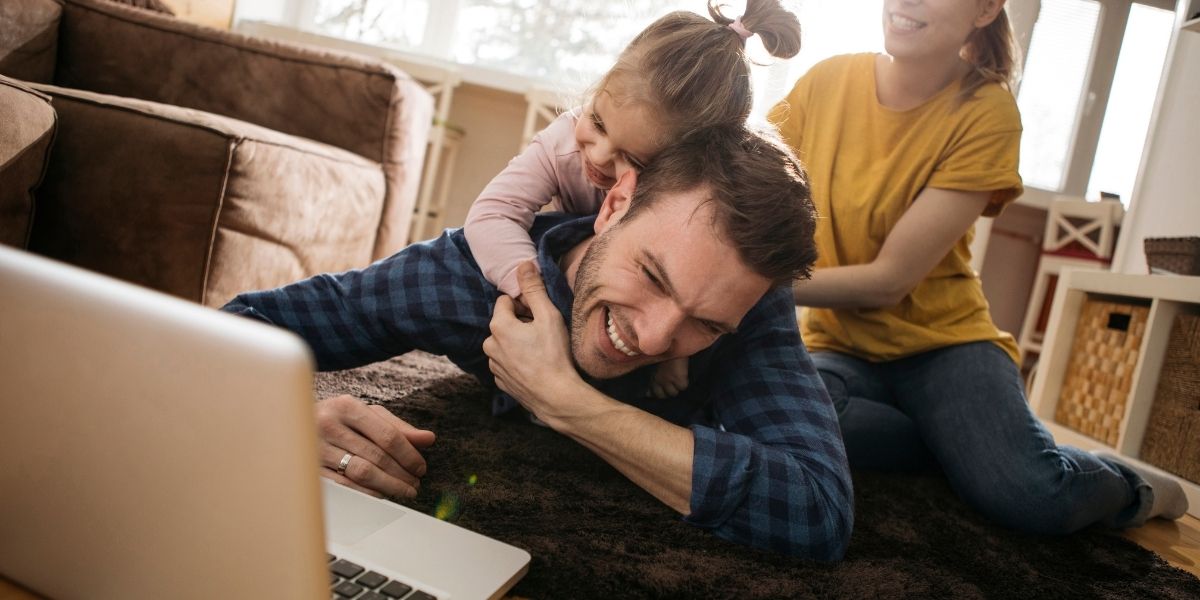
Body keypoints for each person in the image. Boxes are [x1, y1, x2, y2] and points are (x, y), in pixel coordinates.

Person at [221, 126, 854, 559]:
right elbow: (231, 331)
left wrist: (565, 403)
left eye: (707, 326)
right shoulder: (464, 277)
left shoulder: (751, 304)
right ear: (615, 205)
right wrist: (282, 421)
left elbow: (816, 510)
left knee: (861, 424)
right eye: (652, 276)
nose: (658, 337)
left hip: (784, 399)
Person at [768, 0, 1188, 534]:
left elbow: (887, 281)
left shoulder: (987, 111)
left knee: (1032, 495)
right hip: (841, 348)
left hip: (945, 348)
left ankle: (1130, 485)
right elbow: (760, 188)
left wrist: (762, 282)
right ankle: (966, 448)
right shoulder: (825, 82)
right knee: (789, 418)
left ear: (986, 9)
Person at [465, 0, 801, 400]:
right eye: (598, 122)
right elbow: (492, 214)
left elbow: (690, 284)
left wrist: (674, 354)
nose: (600, 155)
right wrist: (537, 297)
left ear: (686, 171)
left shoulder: (691, 203)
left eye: (634, 159)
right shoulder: (562, 143)